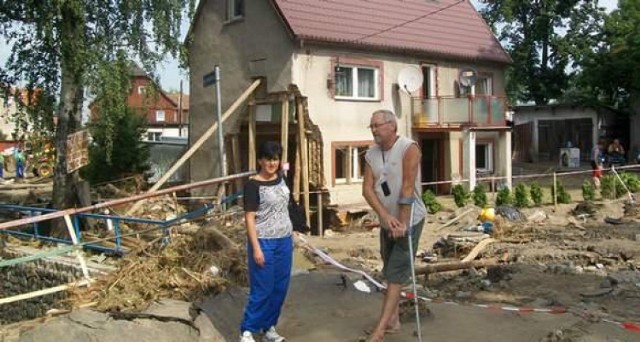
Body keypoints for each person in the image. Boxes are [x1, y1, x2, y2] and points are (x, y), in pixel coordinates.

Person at [362, 110, 427, 341]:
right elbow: (367, 189)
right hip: (387, 220)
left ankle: (380, 330)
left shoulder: (409, 148)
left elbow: (408, 188)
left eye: (377, 125)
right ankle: (394, 320)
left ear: (391, 125)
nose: (374, 130)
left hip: (409, 219)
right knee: (389, 266)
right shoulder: (371, 154)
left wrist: (402, 222)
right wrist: (384, 216)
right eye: (371, 126)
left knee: (395, 273)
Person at [240, 141, 292, 342]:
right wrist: (256, 249)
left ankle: (268, 327)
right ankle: (247, 330)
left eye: (276, 159)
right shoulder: (253, 185)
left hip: (284, 241)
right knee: (262, 288)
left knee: (280, 287)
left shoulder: (281, 179)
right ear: (260, 160)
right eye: (268, 159)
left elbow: (286, 207)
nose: (272, 163)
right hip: (264, 242)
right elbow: (250, 217)